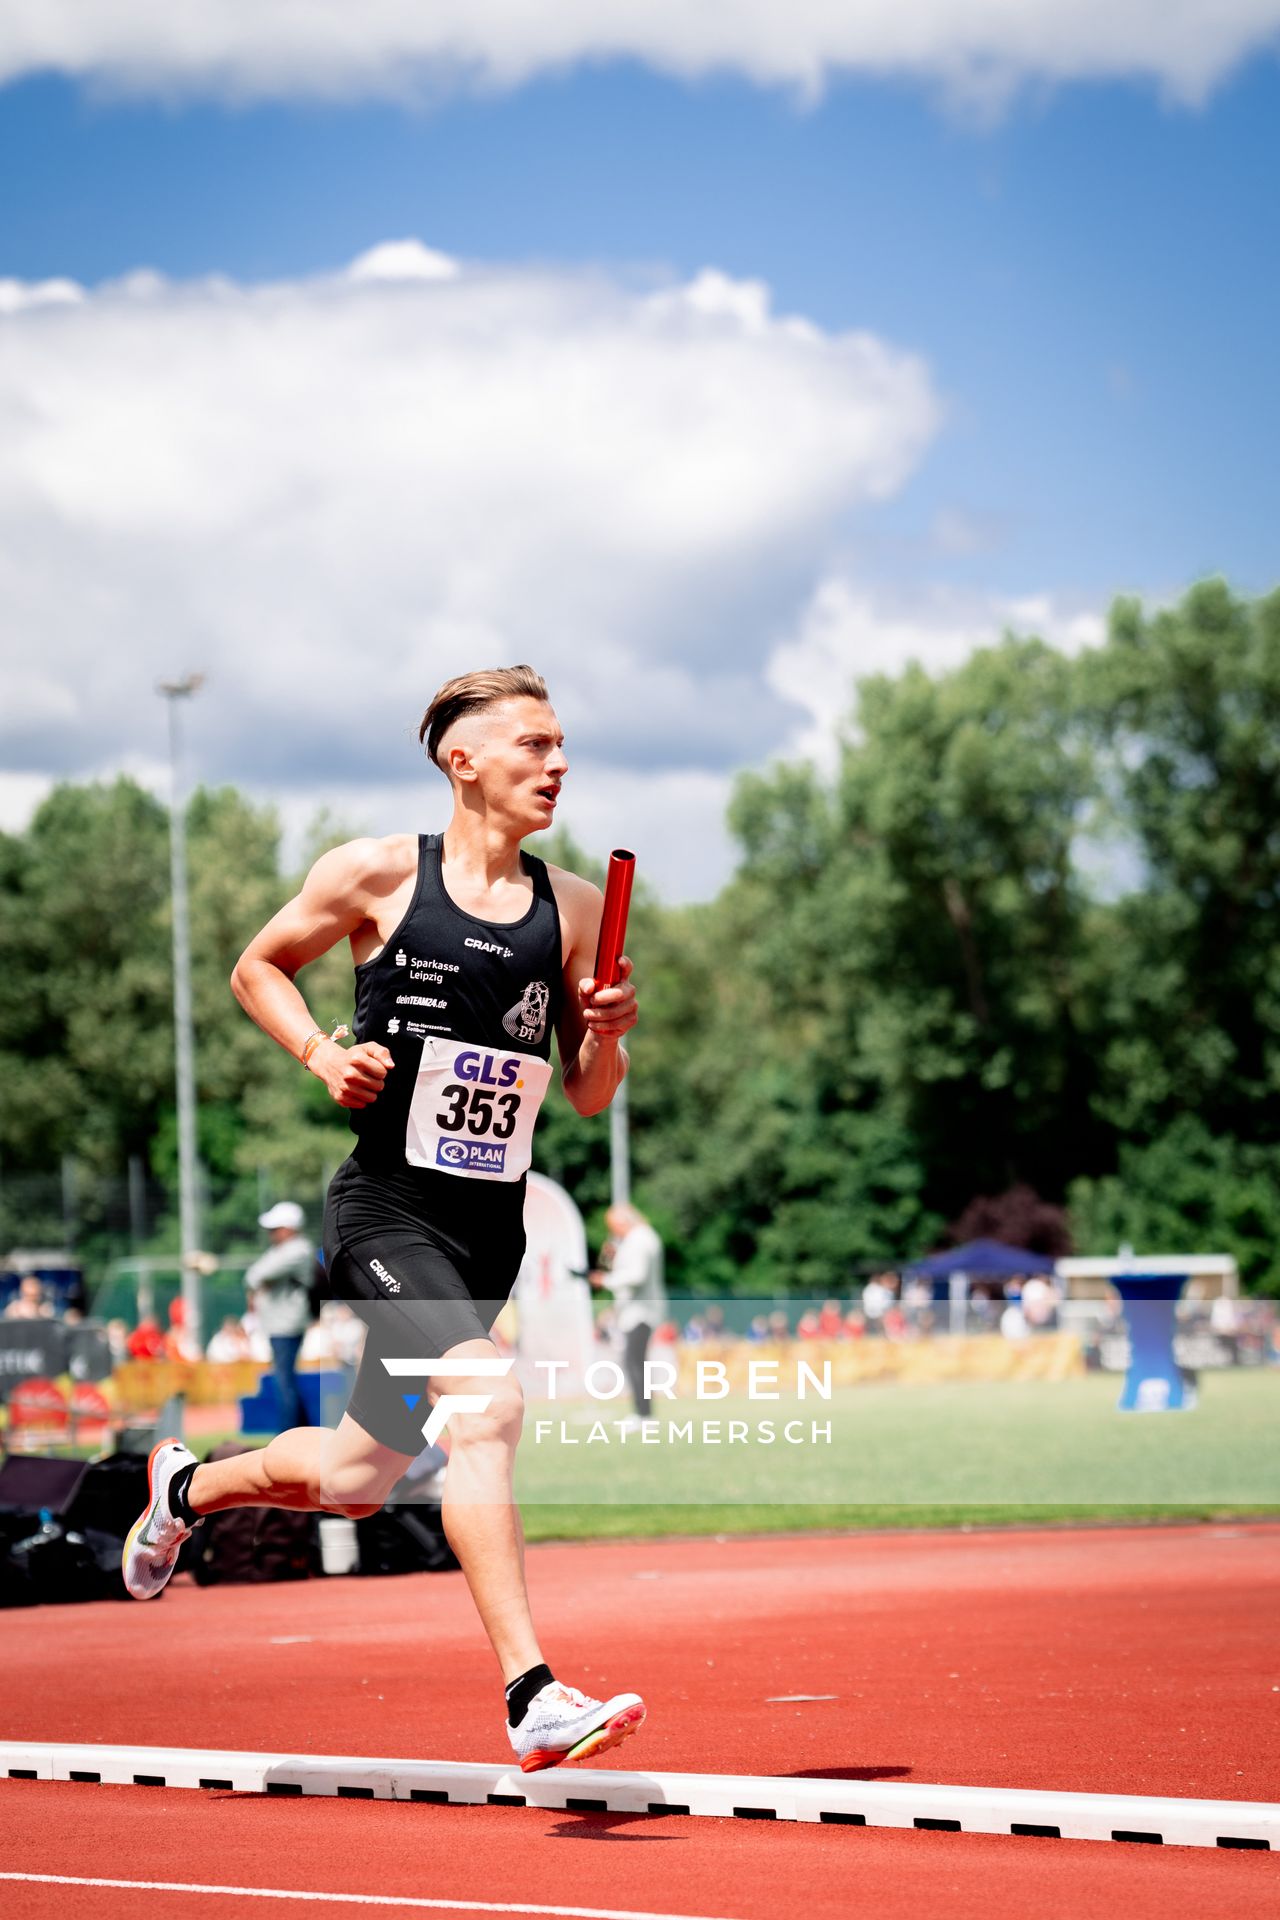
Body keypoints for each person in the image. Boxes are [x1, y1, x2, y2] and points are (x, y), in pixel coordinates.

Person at [122, 664, 645, 1773]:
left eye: (562, 748)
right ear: (465, 760)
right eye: (533, 745)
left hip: (484, 1233)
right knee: (488, 1399)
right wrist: (321, 1052)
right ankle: (530, 1694)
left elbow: (591, 1090)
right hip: (384, 1212)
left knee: (357, 1480)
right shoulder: (374, 876)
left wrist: (606, 1028)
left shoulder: (576, 909)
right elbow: (256, 966)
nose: (557, 765)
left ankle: (182, 1486)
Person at [244, 1200, 314, 1430]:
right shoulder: (284, 1250)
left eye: (275, 1228)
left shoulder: (298, 1249)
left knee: (283, 1381)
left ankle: (288, 1432)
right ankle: (303, 1429)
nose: (271, 1234)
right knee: (285, 1379)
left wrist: (260, 1281)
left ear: (289, 1228)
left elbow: (255, 1275)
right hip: (279, 1323)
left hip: (287, 1323)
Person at [594, 1203, 666, 1420]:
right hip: (637, 1310)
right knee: (634, 1362)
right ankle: (642, 1413)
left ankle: (644, 1415)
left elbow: (636, 1275)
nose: (613, 1231)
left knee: (634, 1362)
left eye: (613, 1226)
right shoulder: (641, 1239)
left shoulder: (640, 1240)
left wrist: (605, 1280)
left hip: (640, 1311)